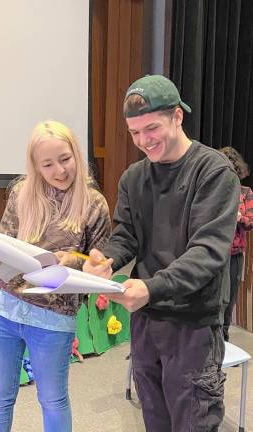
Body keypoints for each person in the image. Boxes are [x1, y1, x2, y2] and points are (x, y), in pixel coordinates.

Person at [83, 75, 240, 431]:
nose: (143, 141)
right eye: (134, 132)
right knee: (154, 420)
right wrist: (107, 259)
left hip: (194, 326)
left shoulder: (213, 172)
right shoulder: (133, 178)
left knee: (192, 422)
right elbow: (126, 236)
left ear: (177, 117)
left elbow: (207, 253)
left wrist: (151, 288)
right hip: (147, 323)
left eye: (151, 128)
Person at [0, 120, 111, 432]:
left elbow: (100, 263)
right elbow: (4, 243)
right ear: (35, 166)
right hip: (3, 308)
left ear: (76, 153)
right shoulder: (21, 192)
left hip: (53, 319)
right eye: (47, 164)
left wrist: (74, 260)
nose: (59, 171)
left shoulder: (94, 203)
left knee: (52, 400)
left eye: (65, 159)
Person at [218, 147, 253, 341]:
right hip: (212, 254)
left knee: (229, 301)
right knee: (213, 301)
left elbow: (251, 221)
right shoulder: (212, 192)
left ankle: (223, 344)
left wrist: (240, 218)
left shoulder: (245, 193)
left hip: (234, 255)